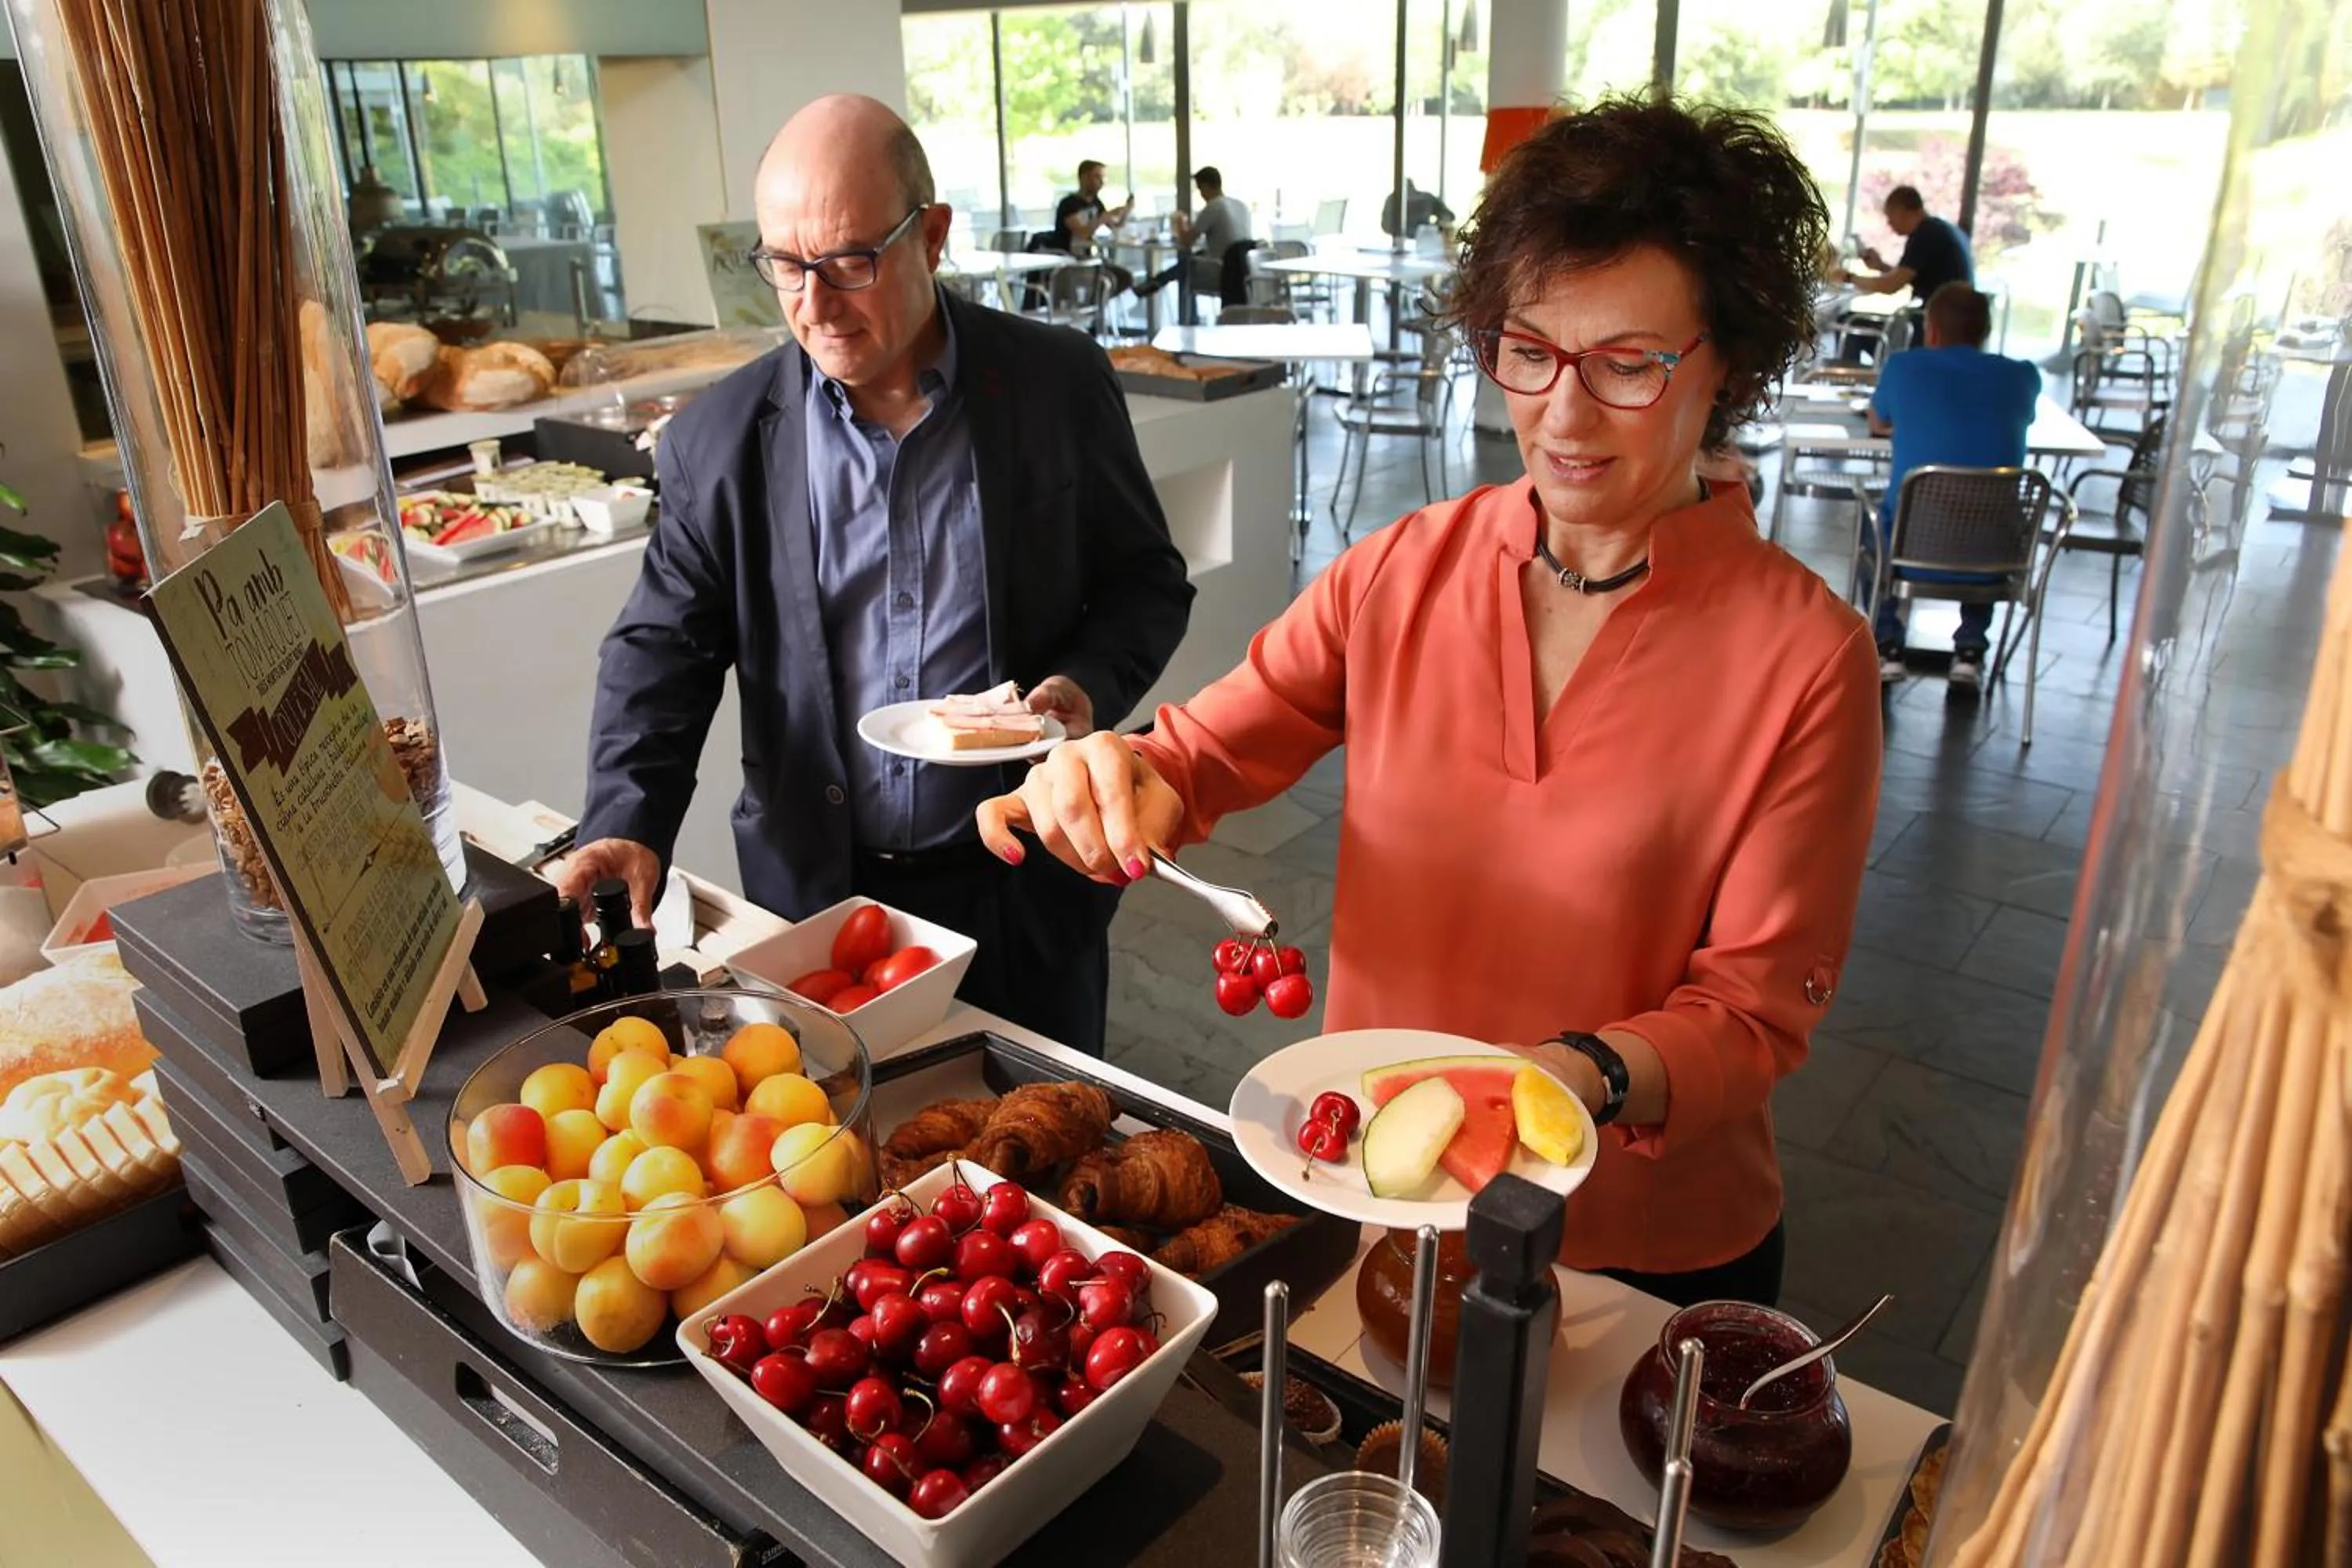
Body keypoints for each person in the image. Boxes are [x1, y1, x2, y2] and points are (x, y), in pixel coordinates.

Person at [978, 96, 1882, 1307]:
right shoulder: (1406, 568)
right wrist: (1109, 777)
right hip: (1383, 1198)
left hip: (1636, 1248)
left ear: (1726, 365)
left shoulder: (1805, 659)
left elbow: (1753, 1013)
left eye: (1626, 365)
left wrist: (1564, 1079)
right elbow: (1200, 756)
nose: (1561, 415)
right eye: (1529, 351)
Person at [558, 96, 1193, 1054]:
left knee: (1040, 1146)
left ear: (931, 236)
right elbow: (663, 648)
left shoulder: (1056, 384)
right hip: (818, 892)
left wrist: (1080, 687)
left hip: (1022, 877)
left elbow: (1147, 581)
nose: (814, 304)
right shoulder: (717, 440)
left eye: (850, 261)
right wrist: (626, 818)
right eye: (784, 265)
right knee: (842, 1163)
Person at [1864, 281, 2042, 691]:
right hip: (1998, 555)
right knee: (1988, 509)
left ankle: (1888, 644)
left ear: (1932, 331)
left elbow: (1878, 423)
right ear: (1984, 332)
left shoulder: (1904, 368)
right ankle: (1970, 651)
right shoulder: (2022, 376)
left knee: (1871, 523)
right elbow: (2022, 418)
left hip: (1910, 548)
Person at [1135, 168, 1253, 314]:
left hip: (1223, 270)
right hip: (1246, 269)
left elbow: (1186, 241)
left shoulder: (1214, 206)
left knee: (1188, 265)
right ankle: (1157, 282)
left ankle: (1161, 288)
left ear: (1205, 186)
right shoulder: (1240, 205)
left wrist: (1179, 221)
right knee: (1191, 261)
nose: (1201, 194)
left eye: (1200, 189)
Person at [1839, 184, 1973, 305]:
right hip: (1958, 315)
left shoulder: (1925, 234)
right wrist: (1881, 266)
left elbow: (1890, 286)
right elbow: (1910, 276)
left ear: (1902, 212)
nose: (1889, 223)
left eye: (1890, 217)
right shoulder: (1940, 228)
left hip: (1946, 318)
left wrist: (1847, 277)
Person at [1052, 159, 1135, 295]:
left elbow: (1115, 226)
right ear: (1084, 178)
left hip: (1090, 259)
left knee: (1125, 278)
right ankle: (1094, 309)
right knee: (1111, 279)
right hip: (1070, 259)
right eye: (1097, 177)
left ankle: (1102, 310)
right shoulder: (1068, 204)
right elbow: (1082, 232)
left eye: (1103, 177)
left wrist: (1126, 211)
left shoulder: (1097, 203)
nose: (1101, 182)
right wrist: (1103, 218)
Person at [1380, 178, 1456, 240]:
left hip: (1423, 242)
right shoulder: (1392, 200)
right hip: (1403, 243)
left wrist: (1434, 228)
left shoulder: (1426, 199)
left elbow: (1449, 216)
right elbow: (1385, 225)